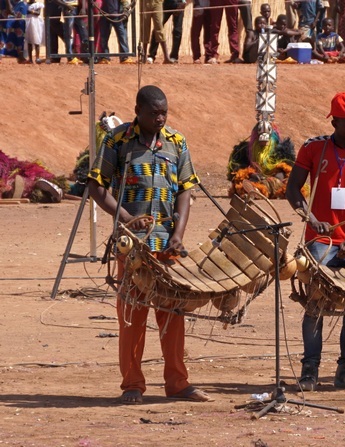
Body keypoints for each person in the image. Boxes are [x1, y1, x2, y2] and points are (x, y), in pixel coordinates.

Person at [87, 85, 210, 404]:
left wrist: (179, 233)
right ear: (137, 111)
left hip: (167, 245)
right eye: (154, 113)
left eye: (164, 113)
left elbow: (185, 190)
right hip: (132, 245)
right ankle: (132, 384)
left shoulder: (177, 142)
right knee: (132, 313)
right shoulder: (117, 142)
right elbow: (98, 187)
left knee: (172, 311)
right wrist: (127, 218)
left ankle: (178, 382)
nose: (160, 118)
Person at [285, 92, 345, 391]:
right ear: (335, 122)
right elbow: (293, 190)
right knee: (316, 303)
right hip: (319, 243)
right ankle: (309, 371)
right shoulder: (313, 148)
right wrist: (311, 219)